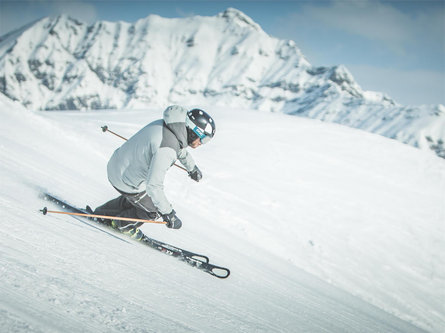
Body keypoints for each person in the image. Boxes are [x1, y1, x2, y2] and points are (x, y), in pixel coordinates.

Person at [92, 105, 216, 240]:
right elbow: (154, 185)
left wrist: (191, 167)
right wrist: (169, 213)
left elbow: (178, 148)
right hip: (125, 180)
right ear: (193, 131)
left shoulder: (169, 125)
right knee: (153, 210)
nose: (201, 144)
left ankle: (103, 213)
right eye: (203, 139)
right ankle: (122, 225)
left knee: (140, 199)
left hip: (116, 166)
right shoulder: (168, 148)